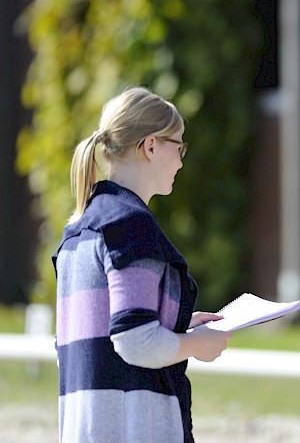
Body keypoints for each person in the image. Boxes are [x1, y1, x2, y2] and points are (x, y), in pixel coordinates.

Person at [52, 87, 231, 443]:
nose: (181, 160)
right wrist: (197, 345)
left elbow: (98, 333)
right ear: (150, 146)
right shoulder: (131, 227)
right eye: (178, 146)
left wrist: (177, 321)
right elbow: (135, 341)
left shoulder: (78, 229)